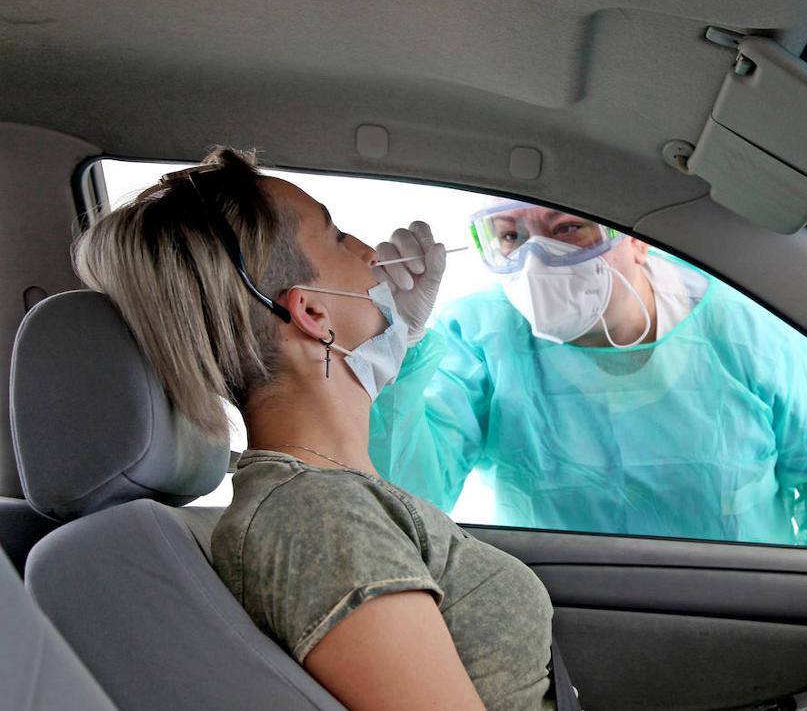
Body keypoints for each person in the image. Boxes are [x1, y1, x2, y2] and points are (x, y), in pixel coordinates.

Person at [73, 149, 555, 710]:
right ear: (311, 313)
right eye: (339, 235)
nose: (372, 254)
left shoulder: (334, 493)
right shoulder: (317, 518)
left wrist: (410, 346)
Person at [369, 198, 807, 549]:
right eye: (510, 236)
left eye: (568, 228)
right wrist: (399, 348)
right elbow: (411, 498)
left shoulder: (740, 325)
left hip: (745, 612)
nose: (537, 258)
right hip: (569, 618)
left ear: (637, 240)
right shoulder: (479, 337)